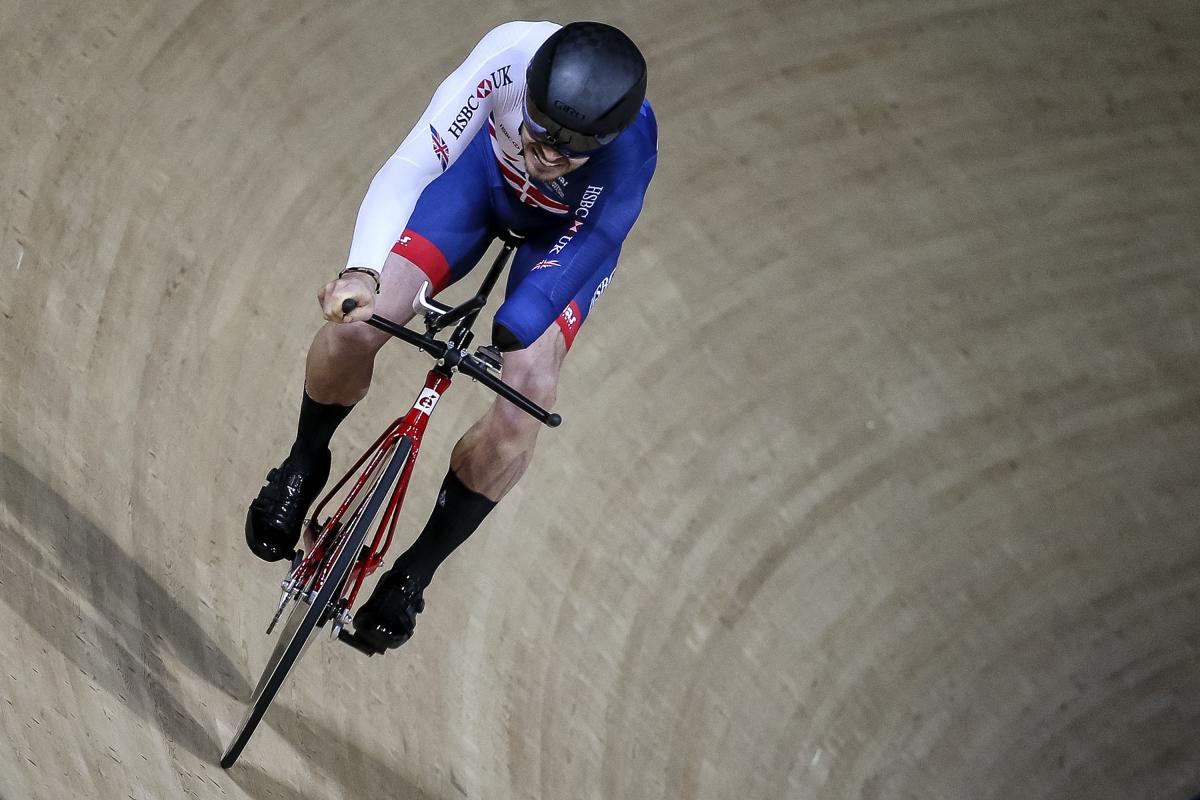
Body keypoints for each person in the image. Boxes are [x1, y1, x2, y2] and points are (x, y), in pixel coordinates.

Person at [245, 21, 658, 652]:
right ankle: (304, 462)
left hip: (562, 243)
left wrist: (516, 330)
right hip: (480, 186)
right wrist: (362, 267)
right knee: (359, 323)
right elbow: (414, 161)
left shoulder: (633, 144)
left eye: (571, 153)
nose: (548, 157)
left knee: (527, 400)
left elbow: (594, 241)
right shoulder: (508, 56)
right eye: (542, 134)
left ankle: (416, 570)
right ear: (532, 95)